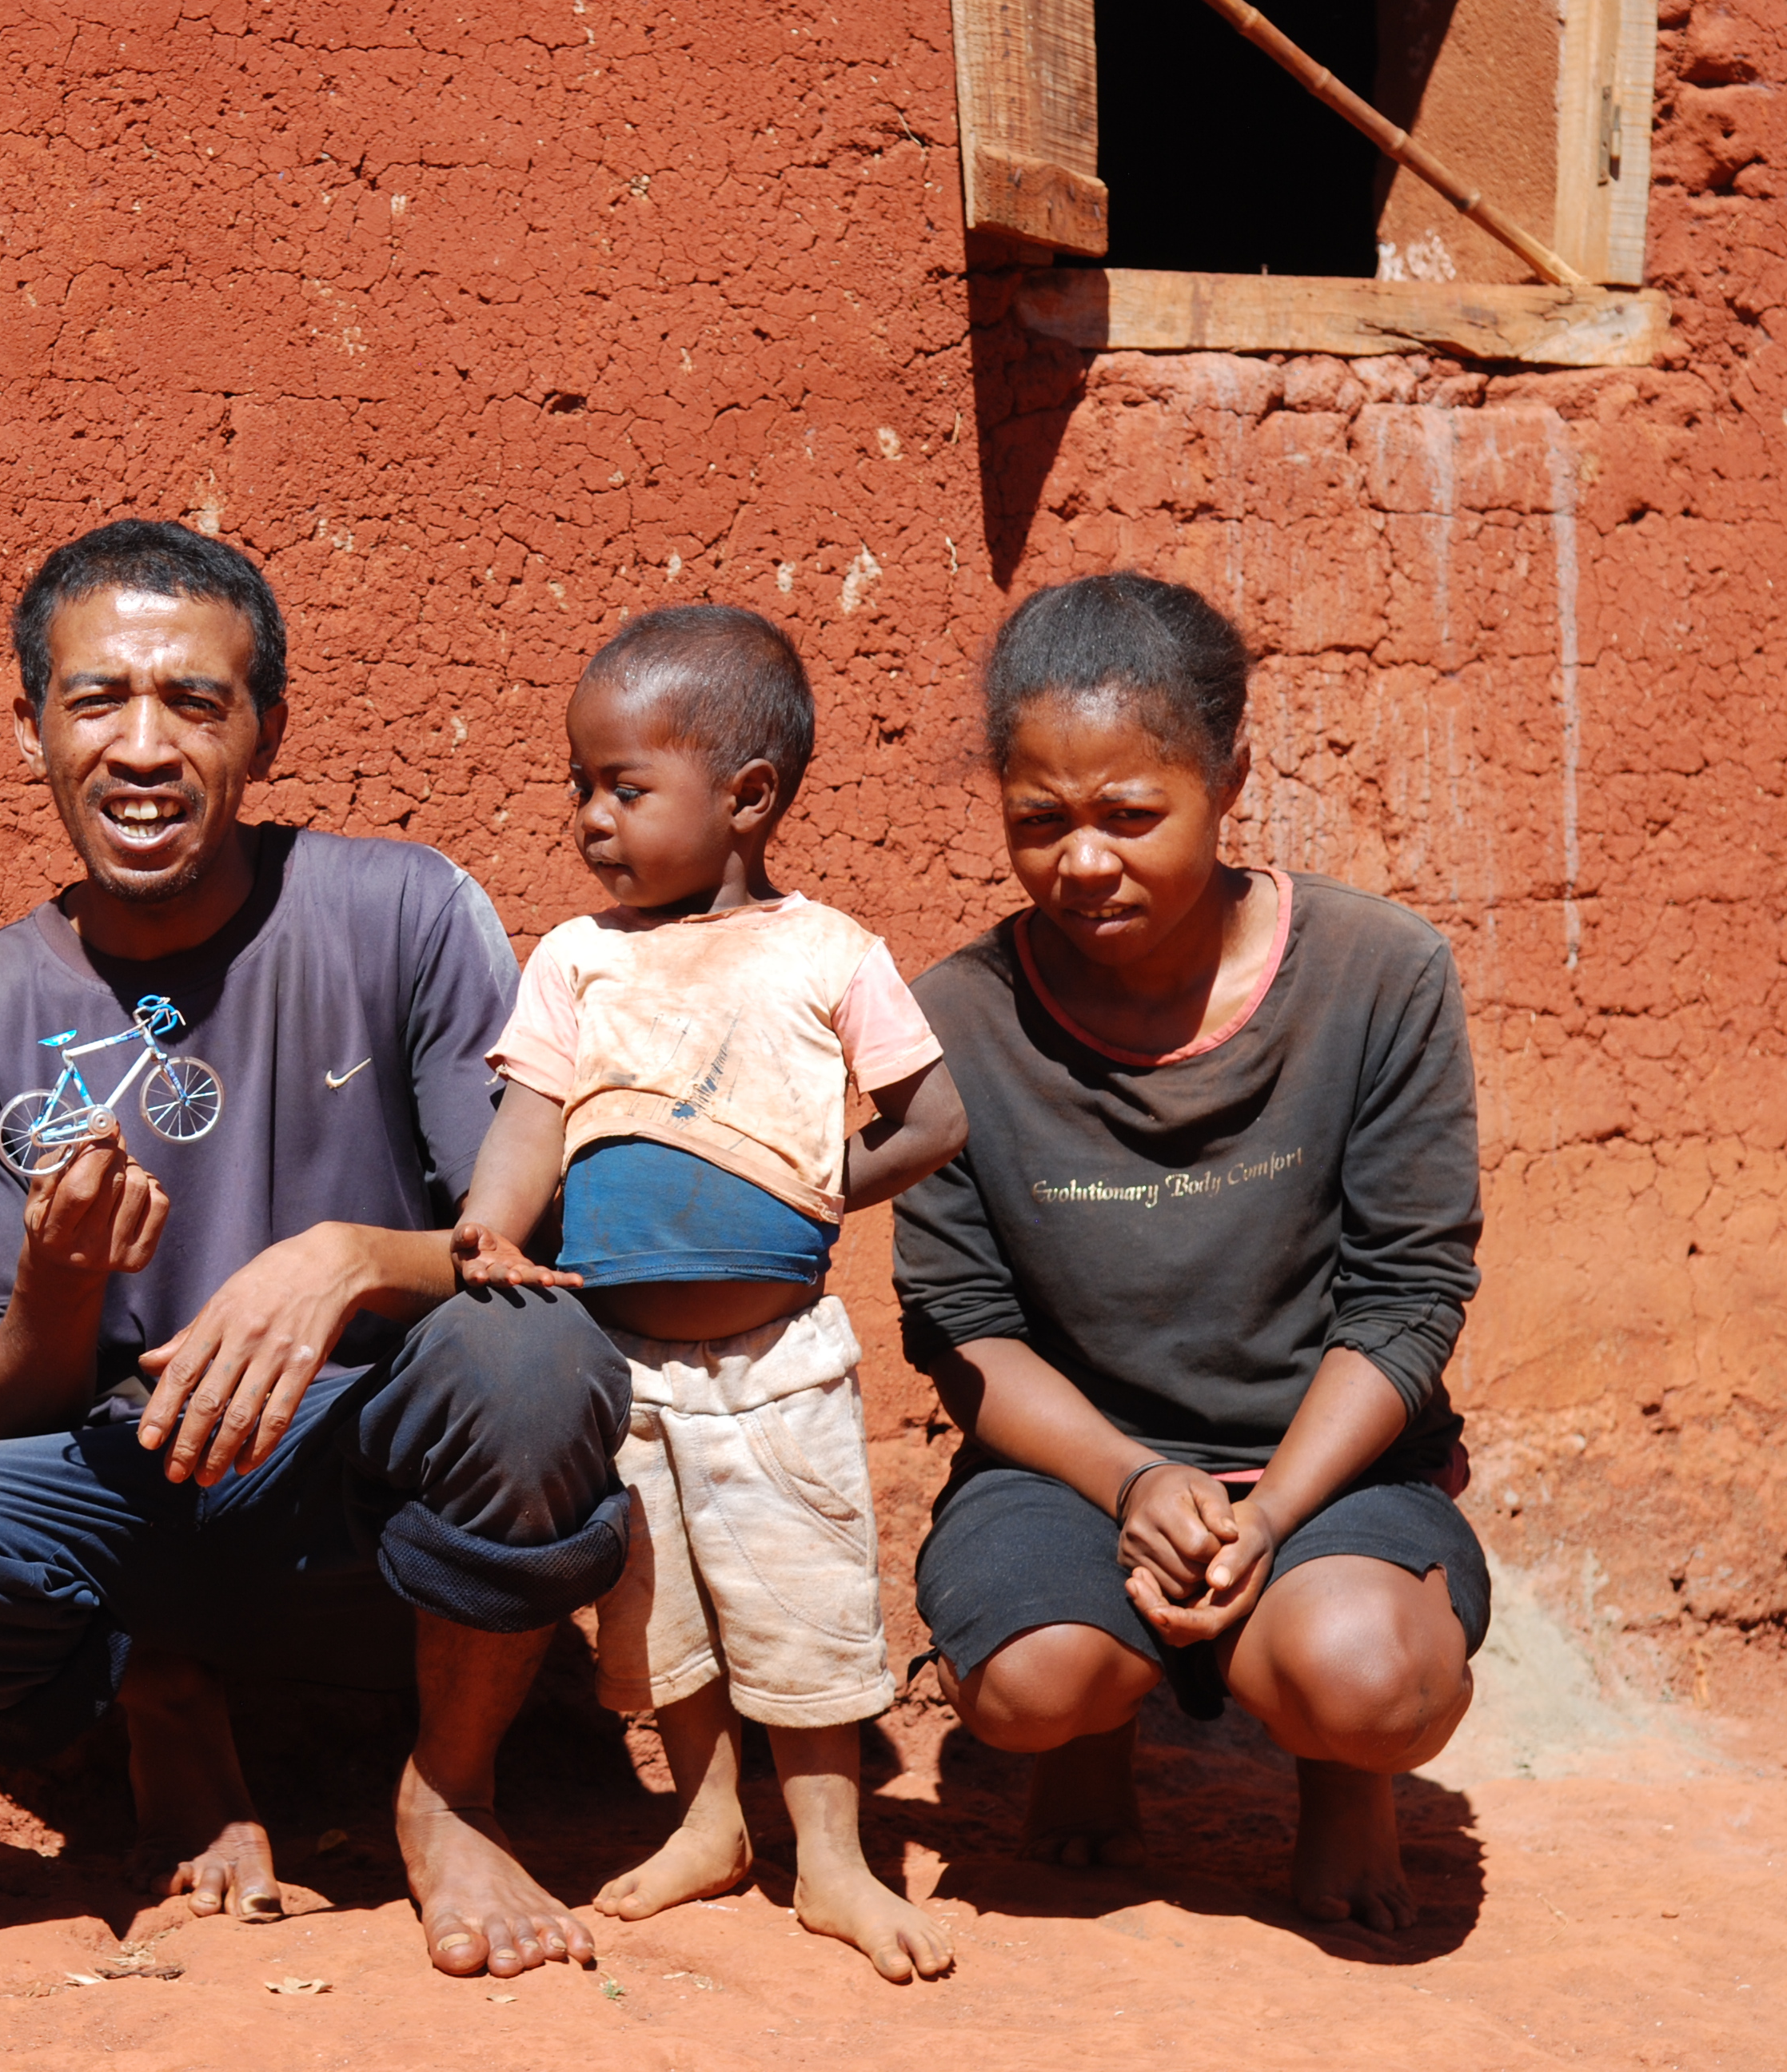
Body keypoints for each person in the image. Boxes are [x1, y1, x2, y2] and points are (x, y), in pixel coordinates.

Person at [0, 518, 634, 1981]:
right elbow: (2, 1422)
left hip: (381, 1498)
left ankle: (451, 1789)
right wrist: (61, 1280)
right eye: (96, 700)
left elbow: (528, 1247)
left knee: (536, 1360)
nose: (142, 747)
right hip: (143, 1506)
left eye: (195, 702)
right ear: (30, 729)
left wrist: (353, 1258)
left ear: (266, 732)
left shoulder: (398, 912)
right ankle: (165, 1705)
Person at [894, 572, 1489, 1934]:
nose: (1081, 862)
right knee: (1029, 1684)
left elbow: (1407, 1297)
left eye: (1129, 815)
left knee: (1370, 1681)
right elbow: (961, 1323)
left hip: (1331, 1472)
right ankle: (1093, 1735)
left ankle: (1344, 1780)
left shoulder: (1379, 974)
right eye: (1039, 821)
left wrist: (1267, 1512)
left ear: (1229, 781)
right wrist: (1134, 1478)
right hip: (1074, 1470)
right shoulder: (956, 1020)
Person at [449, 605, 963, 1982]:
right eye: (580, 785)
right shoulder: (578, 957)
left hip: (777, 1360)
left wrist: (813, 1191)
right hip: (623, 1366)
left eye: (624, 787)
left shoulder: (828, 952)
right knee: (660, 1615)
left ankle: (835, 1863)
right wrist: (491, 1227)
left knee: (800, 1606)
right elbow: (530, 1115)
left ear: (747, 798)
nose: (589, 818)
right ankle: (710, 1824)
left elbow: (934, 1120)